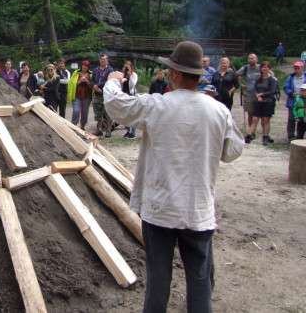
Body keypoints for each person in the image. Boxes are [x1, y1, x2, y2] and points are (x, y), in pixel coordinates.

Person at [103, 41, 244, 313]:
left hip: (160, 209)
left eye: (170, 71)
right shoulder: (217, 110)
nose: (168, 75)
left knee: (158, 279)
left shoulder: (157, 105)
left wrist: (112, 80)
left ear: (177, 74)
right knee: (201, 280)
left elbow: (117, 106)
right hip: (197, 210)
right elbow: (233, 151)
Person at [245, 61, 277, 144]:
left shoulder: (272, 80)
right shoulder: (259, 79)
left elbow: (272, 91)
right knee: (255, 119)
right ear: (261, 69)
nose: (264, 68)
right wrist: (257, 95)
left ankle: (265, 136)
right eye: (263, 67)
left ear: (269, 69)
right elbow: (255, 88)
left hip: (268, 101)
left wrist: (262, 94)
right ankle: (249, 135)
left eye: (266, 67)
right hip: (258, 101)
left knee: (266, 120)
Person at [236, 53, 261, 137]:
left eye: (253, 58)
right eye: (250, 58)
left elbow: (271, 75)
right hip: (249, 94)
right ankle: (251, 132)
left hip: (260, 94)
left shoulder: (261, 67)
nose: (251, 60)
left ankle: (253, 130)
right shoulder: (245, 68)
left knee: (257, 114)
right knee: (250, 113)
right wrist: (241, 84)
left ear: (256, 59)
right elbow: (237, 74)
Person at [92, 53, 114, 137]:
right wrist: (94, 86)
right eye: (101, 60)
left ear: (107, 60)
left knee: (107, 113)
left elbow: (110, 80)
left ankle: (108, 130)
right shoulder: (95, 70)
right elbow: (92, 80)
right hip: (97, 94)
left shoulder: (110, 70)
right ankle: (99, 130)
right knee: (98, 113)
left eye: (104, 59)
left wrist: (99, 85)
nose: (102, 61)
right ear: (99, 60)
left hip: (106, 94)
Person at [283, 61, 306, 141]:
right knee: (291, 119)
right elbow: (286, 87)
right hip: (292, 100)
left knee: (302, 119)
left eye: (298, 68)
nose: (296, 69)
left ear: (302, 68)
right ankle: (291, 136)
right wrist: (291, 93)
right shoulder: (290, 77)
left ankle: (300, 136)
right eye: (295, 67)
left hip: (304, 101)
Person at [67, 60, 92, 130]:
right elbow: (71, 84)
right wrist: (79, 81)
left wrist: (87, 81)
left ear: (88, 67)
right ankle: (73, 126)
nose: (85, 67)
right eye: (84, 65)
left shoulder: (91, 74)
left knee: (85, 113)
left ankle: (82, 126)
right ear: (81, 66)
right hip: (76, 95)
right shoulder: (76, 73)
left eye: (86, 66)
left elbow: (93, 86)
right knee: (76, 111)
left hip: (87, 96)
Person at [122, 60, 138, 139]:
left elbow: (132, 85)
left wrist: (130, 76)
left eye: (128, 65)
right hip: (124, 95)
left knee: (132, 114)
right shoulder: (122, 75)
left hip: (131, 95)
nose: (127, 67)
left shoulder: (134, 75)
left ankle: (133, 133)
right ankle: (128, 131)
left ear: (131, 67)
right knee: (125, 115)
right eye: (126, 65)